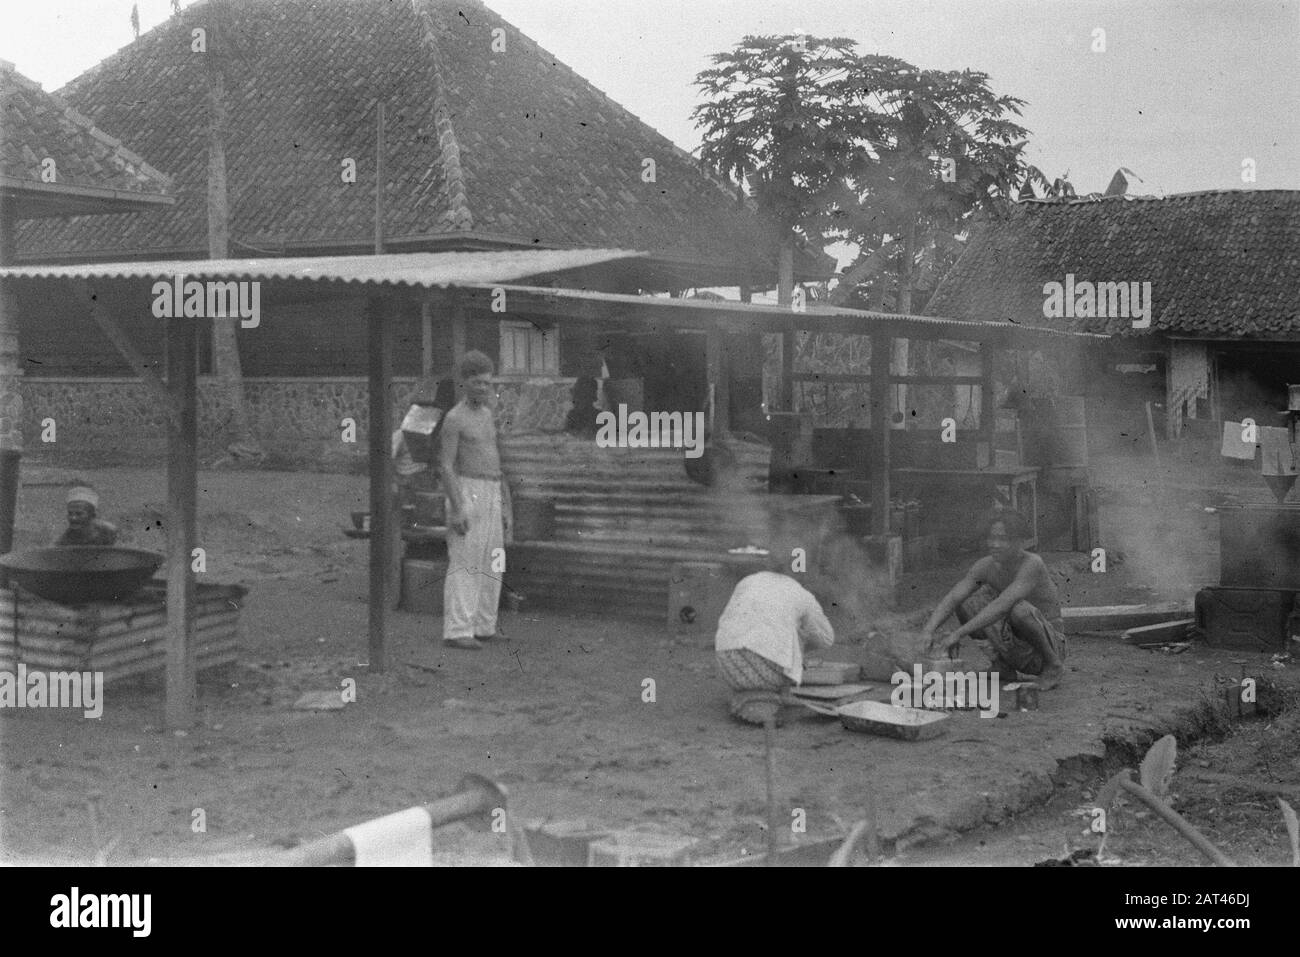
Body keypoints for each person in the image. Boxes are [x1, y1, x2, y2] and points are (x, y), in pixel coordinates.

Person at [920, 512, 1066, 689]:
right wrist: (928, 630)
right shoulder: (985, 565)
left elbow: (1002, 607)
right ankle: (1001, 666)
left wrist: (957, 634)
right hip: (1015, 646)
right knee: (966, 603)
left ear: (1019, 541)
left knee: (1019, 610)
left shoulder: (1032, 563)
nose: (995, 545)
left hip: (1048, 649)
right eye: (991, 538)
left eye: (1003, 539)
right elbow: (953, 597)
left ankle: (1054, 667)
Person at [438, 352, 513, 650]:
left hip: (492, 489)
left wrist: (505, 504)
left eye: (487, 383)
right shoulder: (454, 419)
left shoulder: (487, 414)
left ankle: (484, 625)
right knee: (466, 561)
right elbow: (445, 465)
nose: (483, 388)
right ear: (464, 382)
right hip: (466, 488)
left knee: (493, 561)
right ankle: (458, 630)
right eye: (477, 382)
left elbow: (496, 461)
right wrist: (457, 508)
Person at [715, 562, 835, 725]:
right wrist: (801, 650)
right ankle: (778, 697)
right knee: (795, 631)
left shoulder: (748, 581)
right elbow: (827, 639)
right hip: (766, 673)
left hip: (727, 666)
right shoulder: (802, 593)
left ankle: (749, 696)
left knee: (773, 629)